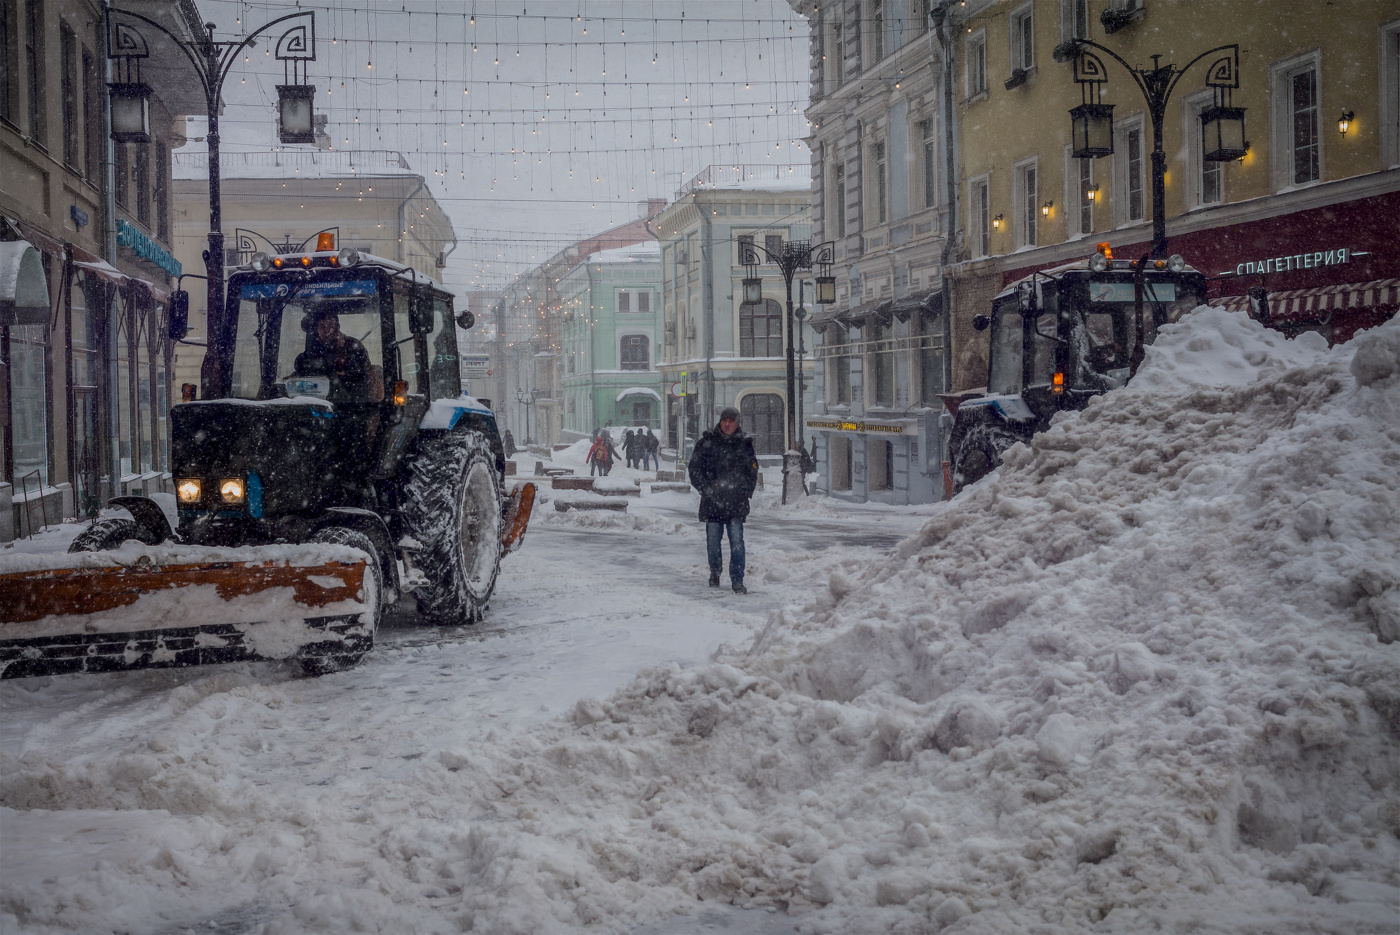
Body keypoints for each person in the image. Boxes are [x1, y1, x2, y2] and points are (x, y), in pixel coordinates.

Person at [688, 407, 758, 594]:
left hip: (736, 502)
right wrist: (706, 489)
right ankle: (715, 572)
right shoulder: (707, 443)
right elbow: (695, 469)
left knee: (737, 542)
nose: (727, 424)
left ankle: (737, 579)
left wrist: (744, 491)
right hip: (713, 502)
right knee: (713, 542)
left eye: (731, 421)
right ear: (720, 422)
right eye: (724, 420)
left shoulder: (744, 445)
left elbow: (752, 471)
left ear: (737, 423)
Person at [295, 307, 384, 404]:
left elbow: (361, 371)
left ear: (338, 326)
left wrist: (341, 350)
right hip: (319, 399)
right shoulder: (315, 347)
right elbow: (301, 365)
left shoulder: (353, 345)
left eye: (330, 326)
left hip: (350, 402)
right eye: (322, 327)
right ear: (317, 329)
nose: (327, 330)